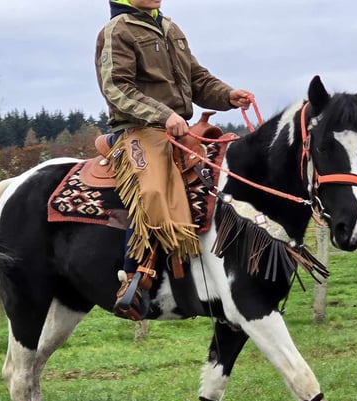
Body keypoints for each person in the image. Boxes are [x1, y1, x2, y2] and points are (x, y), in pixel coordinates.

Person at [95, 0, 253, 319]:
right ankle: (134, 278)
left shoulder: (170, 28)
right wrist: (163, 115)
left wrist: (227, 95)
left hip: (179, 127)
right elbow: (116, 88)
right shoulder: (117, 31)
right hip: (140, 129)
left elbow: (197, 78)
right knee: (152, 191)